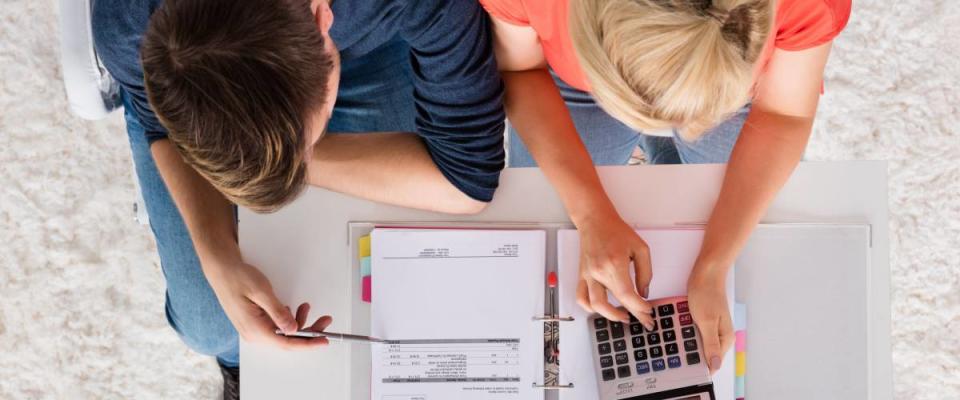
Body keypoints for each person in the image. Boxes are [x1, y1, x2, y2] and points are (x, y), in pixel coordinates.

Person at [93, 0, 505, 396]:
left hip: (382, 39)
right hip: (218, 70)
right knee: (209, 325)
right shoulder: (129, 22)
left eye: (310, 141)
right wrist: (217, 254)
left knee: (374, 280)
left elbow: (467, 177)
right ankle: (244, 364)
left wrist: (270, 163)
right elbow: (160, 127)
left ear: (323, 18)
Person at [480, 0, 850, 373]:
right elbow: (520, 69)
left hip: (740, 83)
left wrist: (713, 266)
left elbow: (784, 113)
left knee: (764, 249)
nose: (665, 126)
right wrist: (589, 212)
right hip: (570, 79)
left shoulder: (808, 6)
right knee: (544, 217)